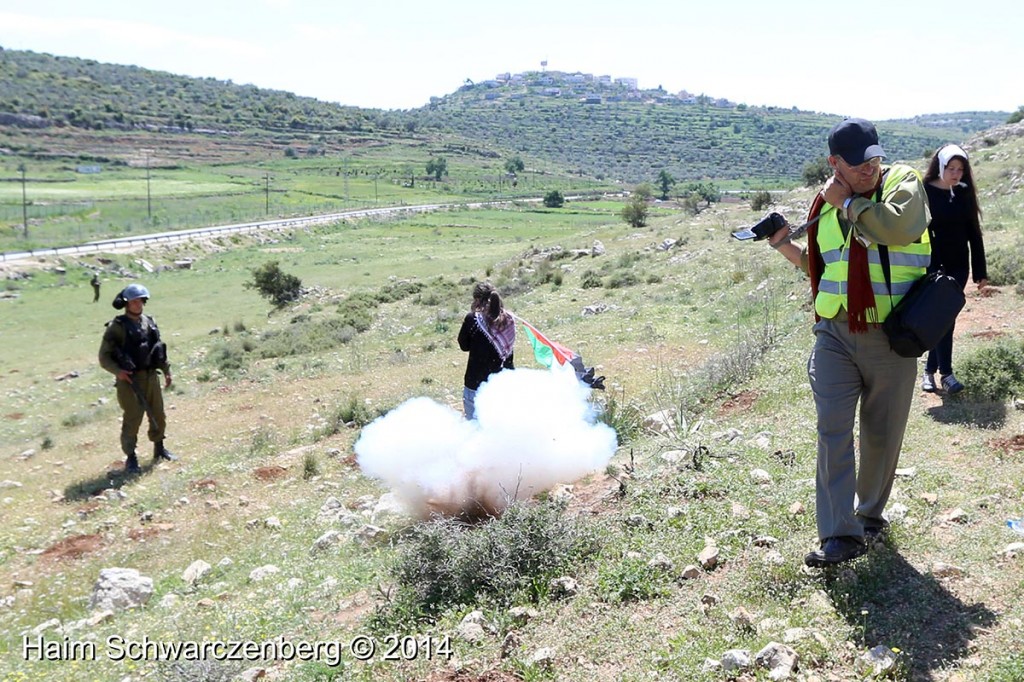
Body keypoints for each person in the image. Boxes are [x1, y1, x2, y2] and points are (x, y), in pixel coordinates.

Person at [767, 118, 930, 568]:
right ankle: (841, 534)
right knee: (832, 430)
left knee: (881, 434)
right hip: (835, 333)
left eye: (875, 158)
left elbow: (896, 230)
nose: (870, 169)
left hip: (891, 336)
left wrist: (850, 203)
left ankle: (869, 516)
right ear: (834, 162)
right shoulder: (824, 203)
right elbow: (824, 271)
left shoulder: (903, 183)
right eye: (859, 164)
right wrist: (784, 245)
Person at [919, 144, 987, 395]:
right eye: (951, 168)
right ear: (940, 166)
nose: (956, 174)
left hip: (959, 266)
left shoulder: (964, 193)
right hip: (933, 265)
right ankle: (943, 373)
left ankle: (933, 372)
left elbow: (974, 234)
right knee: (942, 318)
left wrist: (980, 271)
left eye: (960, 169)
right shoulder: (925, 192)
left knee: (946, 317)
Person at [98, 283, 176, 474]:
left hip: (150, 377)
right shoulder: (117, 327)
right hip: (129, 381)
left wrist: (166, 370)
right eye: (133, 301)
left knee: (158, 414)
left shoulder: (149, 322)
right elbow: (104, 356)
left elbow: (157, 348)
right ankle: (131, 457)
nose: (137, 304)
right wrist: (118, 372)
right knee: (133, 418)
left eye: (140, 300)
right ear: (126, 303)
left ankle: (159, 449)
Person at [457, 282, 515, 420]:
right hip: (503, 383)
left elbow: (464, 345)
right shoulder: (509, 319)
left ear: (477, 300)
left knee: (475, 429)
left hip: (475, 384)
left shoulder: (472, 319)